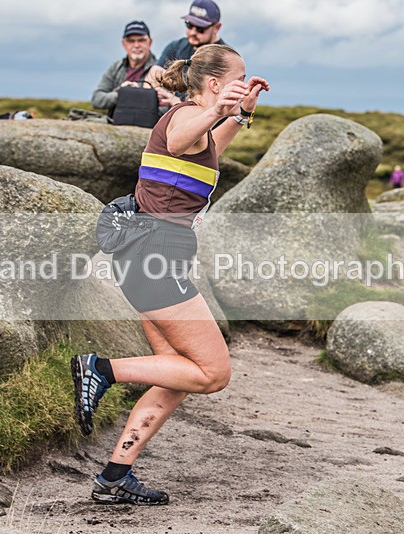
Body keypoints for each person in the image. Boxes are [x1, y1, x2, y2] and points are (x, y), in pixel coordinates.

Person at [72, 44, 269, 505]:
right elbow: (184, 138)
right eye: (239, 78)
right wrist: (220, 108)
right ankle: (100, 369)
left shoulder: (202, 127)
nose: (246, 81)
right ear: (216, 83)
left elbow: (206, 148)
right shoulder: (183, 118)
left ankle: (114, 476)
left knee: (176, 377)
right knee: (213, 372)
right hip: (153, 257)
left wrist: (240, 116)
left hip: (152, 258)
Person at [145, 0, 226, 108]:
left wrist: (176, 101)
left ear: (216, 27)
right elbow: (154, 73)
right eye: (189, 25)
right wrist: (155, 92)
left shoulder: (225, 57)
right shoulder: (176, 46)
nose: (193, 32)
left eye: (200, 28)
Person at [91, 21, 158, 117]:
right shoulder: (115, 68)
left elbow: (165, 107)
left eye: (141, 40)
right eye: (131, 41)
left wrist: (138, 94)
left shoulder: (160, 69)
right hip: (115, 123)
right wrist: (120, 93)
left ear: (150, 42)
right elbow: (96, 100)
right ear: (123, 44)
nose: (136, 45)